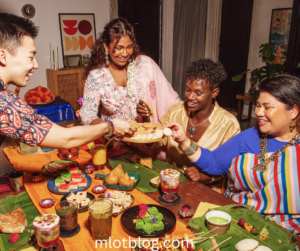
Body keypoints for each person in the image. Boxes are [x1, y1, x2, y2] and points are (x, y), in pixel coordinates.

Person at [168, 74, 300, 232]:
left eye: (267, 107)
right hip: (236, 218)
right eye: (258, 105)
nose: (258, 112)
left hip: (283, 230)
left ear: (293, 111)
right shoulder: (250, 136)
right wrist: (184, 141)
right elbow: (214, 164)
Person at [0, 13, 135, 149]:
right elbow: (65, 138)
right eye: (30, 57)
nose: (36, 65)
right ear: (3, 56)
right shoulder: (3, 104)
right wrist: (110, 126)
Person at [151, 59, 240, 186]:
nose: (190, 97)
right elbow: (156, 140)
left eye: (198, 93)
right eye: (188, 90)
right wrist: (145, 122)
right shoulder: (176, 111)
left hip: (205, 191)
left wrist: (203, 176)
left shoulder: (228, 124)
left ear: (214, 93)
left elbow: (231, 167)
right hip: (170, 184)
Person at [80, 18, 180, 125]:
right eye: (119, 48)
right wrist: (110, 128)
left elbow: (170, 100)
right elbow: (87, 115)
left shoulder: (145, 65)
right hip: (114, 140)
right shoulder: (97, 76)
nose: (124, 53)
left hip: (143, 138)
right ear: (106, 46)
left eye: (129, 47)